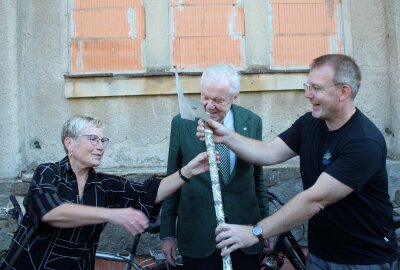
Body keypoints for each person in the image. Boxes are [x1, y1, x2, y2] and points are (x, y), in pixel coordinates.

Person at [197, 54, 398, 269]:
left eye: (316, 88)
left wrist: (254, 232)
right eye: (307, 85)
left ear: (343, 92)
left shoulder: (364, 142)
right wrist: (225, 136)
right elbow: (268, 152)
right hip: (320, 255)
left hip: (363, 260)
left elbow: (314, 200)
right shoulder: (310, 123)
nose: (307, 94)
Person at [0, 115, 212, 270]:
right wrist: (111, 214)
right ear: (69, 143)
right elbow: (52, 212)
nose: (100, 146)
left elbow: (151, 192)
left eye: (103, 141)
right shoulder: (48, 172)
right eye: (93, 139)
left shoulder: (103, 184)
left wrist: (188, 171)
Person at [160, 64, 269, 270]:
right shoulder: (182, 123)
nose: (209, 106)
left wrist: (265, 227)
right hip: (198, 237)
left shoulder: (252, 122)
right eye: (204, 97)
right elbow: (172, 180)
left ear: (234, 97)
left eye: (218, 100)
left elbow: (257, 180)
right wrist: (168, 234)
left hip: (245, 234)